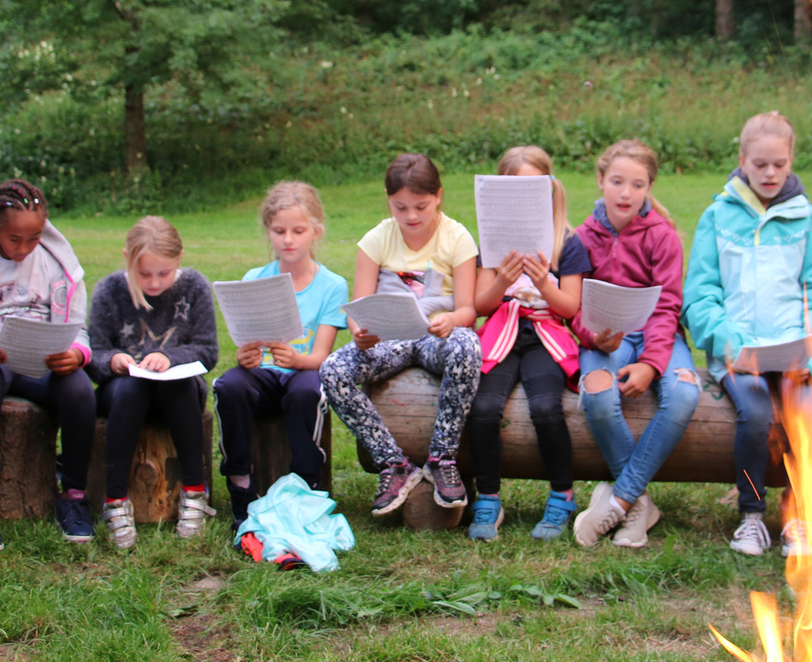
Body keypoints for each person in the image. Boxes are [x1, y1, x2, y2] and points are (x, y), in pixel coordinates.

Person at [683, 112, 812, 558]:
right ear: (742, 160)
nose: (770, 173)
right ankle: (751, 516)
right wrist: (729, 343)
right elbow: (701, 295)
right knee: (754, 415)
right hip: (739, 351)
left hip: (795, 350)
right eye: (760, 164)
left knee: (809, 415)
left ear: (791, 161)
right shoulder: (717, 216)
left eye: (779, 164)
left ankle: (798, 517)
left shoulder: (807, 219)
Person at [0, 179, 96, 552]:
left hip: (41, 362)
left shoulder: (60, 263)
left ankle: (73, 497)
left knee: (80, 391)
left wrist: (75, 354)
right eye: (14, 240)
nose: (24, 248)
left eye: (34, 238)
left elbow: (78, 330)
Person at [320, 153, 482, 516]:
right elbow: (359, 309)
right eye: (400, 207)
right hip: (388, 340)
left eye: (420, 207)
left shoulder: (457, 237)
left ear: (438, 196)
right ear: (388, 200)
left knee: (468, 345)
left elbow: (468, 310)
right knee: (333, 369)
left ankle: (442, 458)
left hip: (435, 336)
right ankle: (393, 464)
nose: (411, 216)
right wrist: (360, 333)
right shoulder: (376, 239)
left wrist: (451, 320)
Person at [571, 139, 699, 548]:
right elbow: (574, 306)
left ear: (649, 187)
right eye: (617, 182)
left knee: (684, 395)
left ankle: (621, 499)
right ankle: (641, 503)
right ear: (600, 180)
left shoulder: (663, 236)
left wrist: (651, 363)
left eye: (637, 185)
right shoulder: (581, 237)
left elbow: (667, 307)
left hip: (658, 335)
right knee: (597, 396)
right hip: (606, 337)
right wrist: (593, 337)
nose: (626, 193)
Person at [467, 146, 588, 542]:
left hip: (545, 333)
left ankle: (562, 494)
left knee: (546, 407)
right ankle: (488, 496)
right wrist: (502, 280)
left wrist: (542, 284)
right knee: (483, 408)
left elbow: (569, 307)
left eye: (534, 188)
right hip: (501, 330)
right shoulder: (492, 243)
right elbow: (481, 305)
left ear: (549, 190)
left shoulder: (566, 242)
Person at [215, 182, 347, 527]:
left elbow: (321, 357)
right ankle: (240, 483)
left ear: (316, 232)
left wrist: (297, 360)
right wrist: (246, 357)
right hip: (263, 376)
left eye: (298, 231)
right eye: (279, 231)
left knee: (308, 389)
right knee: (229, 385)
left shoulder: (331, 286)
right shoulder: (254, 278)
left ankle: (305, 485)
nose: (288, 240)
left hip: (302, 373)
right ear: (268, 232)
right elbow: (248, 345)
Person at [87, 216, 220, 548]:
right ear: (127, 259)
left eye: (164, 273)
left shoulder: (195, 286)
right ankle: (115, 501)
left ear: (179, 258)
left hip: (178, 392)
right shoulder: (109, 290)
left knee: (179, 386)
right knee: (131, 389)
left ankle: (195, 493)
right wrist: (114, 361)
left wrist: (170, 357)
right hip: (124, 394)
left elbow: (208, 350)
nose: (155, 283)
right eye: (144, 274)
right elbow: (95, 353)